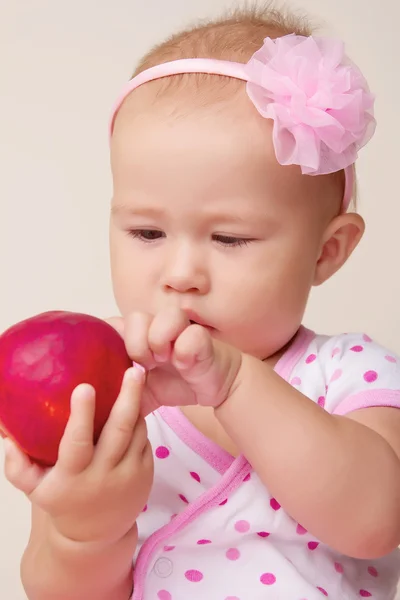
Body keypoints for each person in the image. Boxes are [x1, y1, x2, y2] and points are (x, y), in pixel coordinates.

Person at [4, 5, 400, 600]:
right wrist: (87, 530)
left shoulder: (349, 375)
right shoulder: (109, 390)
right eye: (146, 233)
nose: (181, 274)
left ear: (327, 252)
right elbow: (56, 592)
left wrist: (235, 383)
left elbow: (375, 521)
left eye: (229, 239)